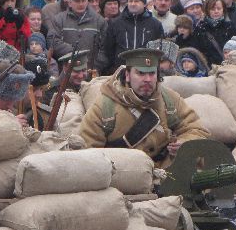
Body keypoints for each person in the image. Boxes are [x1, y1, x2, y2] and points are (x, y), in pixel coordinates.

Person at [80, 48, 209, 168]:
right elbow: (88, 154)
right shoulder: (105, 106)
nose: (147, 79)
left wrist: (185, 143)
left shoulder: (169, 99)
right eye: (140, 73)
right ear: (127, 75)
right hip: (125, 176)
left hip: (168, 173)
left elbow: (196, 130)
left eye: (151, 73)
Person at [102, 0, 164, 75]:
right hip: (120, 71)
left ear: (144, 4)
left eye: (136, 1)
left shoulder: (155, 24)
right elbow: (108, 48)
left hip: (146, 71)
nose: (133, 4)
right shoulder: (115, 23)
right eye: (130, 1)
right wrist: (113, 68)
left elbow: (159, 49)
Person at [50, 0, 108, 74]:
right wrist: (74, 53)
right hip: (67, 71)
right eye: (77, 1)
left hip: (91, 71)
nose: (81, 4)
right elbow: (53, 41)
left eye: (83, 0)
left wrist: (96, 66)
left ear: (87, 1)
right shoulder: (59, 19)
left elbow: (105, 48)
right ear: (70, 3)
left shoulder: (99, 21)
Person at [191, 0, 236, 65]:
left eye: (219, 8)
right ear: (207, 10)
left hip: (226, 66)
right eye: (212, 9)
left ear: (223, 9)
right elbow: (196, 50)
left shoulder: (230, 26)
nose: (216, 11)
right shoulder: (200, 28)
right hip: (206, 68)